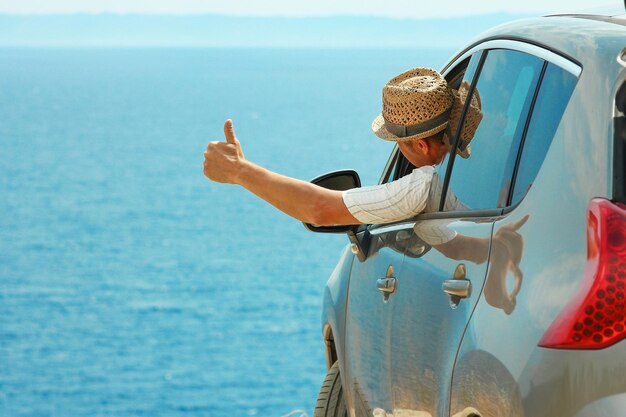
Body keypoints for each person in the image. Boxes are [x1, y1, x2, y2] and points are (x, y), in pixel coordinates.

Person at [203, 67, 481, 226]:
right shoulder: (475, 175)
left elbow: (317, 208)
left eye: (399, 145)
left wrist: (238, 171)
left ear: (420, 145)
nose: (399, 151)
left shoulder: (425, 187)